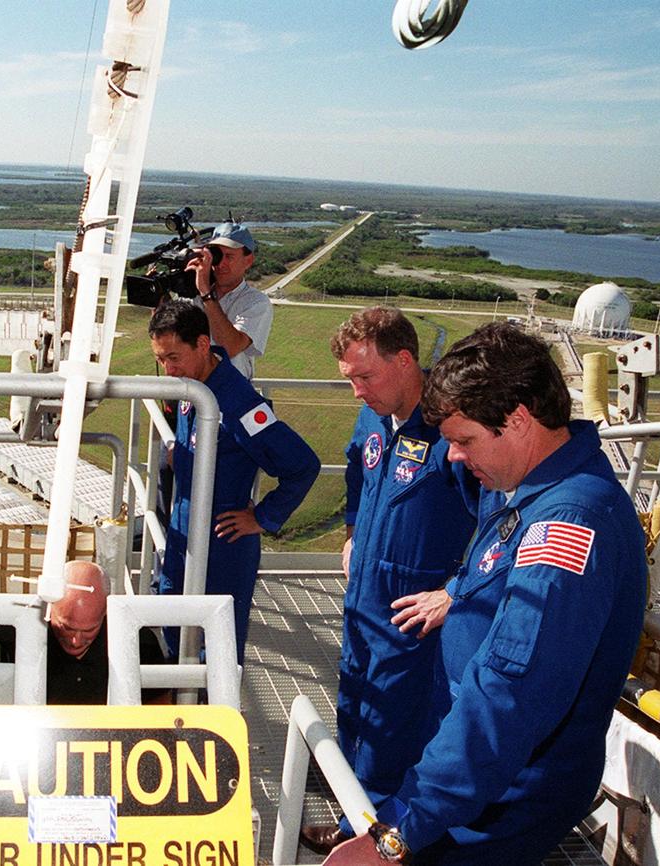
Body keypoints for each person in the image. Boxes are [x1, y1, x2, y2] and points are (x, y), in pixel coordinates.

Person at [325, 323, 648, 866]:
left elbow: (510, 695)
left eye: (464, 439)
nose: (452, 457)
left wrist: (400, 831)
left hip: (498, 796)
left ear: (518, 419)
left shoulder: (569, 524)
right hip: (469, 777)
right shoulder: (520, 488)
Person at [301, 308, 478, 854]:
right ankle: (348, 786)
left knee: (393, 723)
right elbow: (358, 469)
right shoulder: (373, 418)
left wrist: (457, 591)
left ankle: (370, 836)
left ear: (405, 361)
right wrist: (353, 531)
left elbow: (501, 522)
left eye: (365, 376)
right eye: (349, 378)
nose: (356, 391)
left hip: (411, 610)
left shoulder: (452, 430)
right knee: (354, 698)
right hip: (363, 598)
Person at [149, 301, 320, 663]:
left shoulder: (239, 403)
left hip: (223, 544)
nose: (168, 370)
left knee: (219, 648)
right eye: (161, 360)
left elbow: (303, 465)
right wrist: (178, 454)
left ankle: (214, 717)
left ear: (201, 344)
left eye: (174, 357)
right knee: (170, 626)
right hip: (183, 533)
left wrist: (262, 517)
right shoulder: (192, 386)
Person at [0, 561, 171, 705]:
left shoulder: (139, 645)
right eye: (66, 627)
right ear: (48, 607)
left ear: (106, 612)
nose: (76, 640)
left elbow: (161, 718)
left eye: (89, 630)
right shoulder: (6, 642)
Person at [184, 221, 271, 380]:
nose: (221, 264)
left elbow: (229, 347)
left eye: (229, 256)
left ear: (248, 260)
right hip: (192, 391)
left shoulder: (256, 302)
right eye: (217, 256)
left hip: (230, 395)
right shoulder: (193, 295)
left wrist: (205, 292)